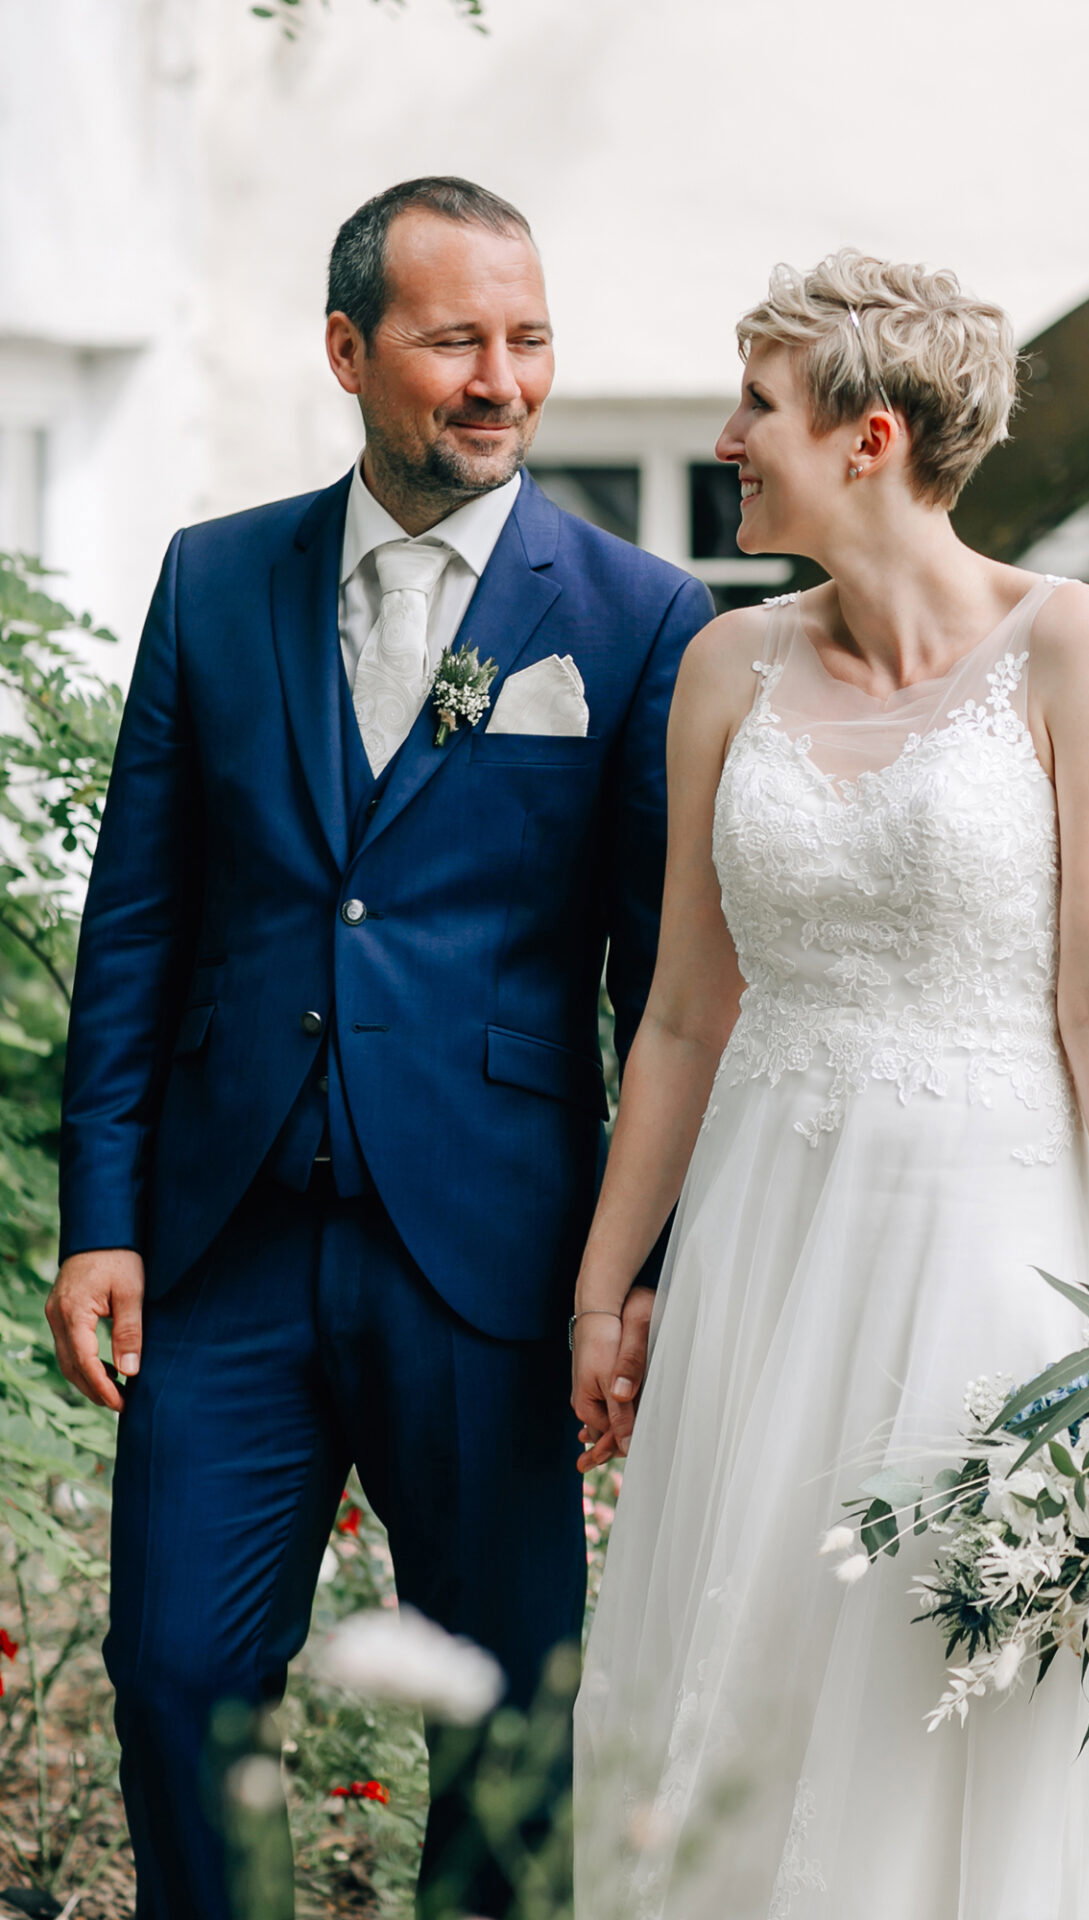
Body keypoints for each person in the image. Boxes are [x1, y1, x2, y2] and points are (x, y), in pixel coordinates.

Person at [570, 252, 1089, 1917]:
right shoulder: (728, 669)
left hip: (988, 1237)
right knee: (761, 1645)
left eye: (756, 408)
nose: (728, 438)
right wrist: (606, 1286)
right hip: (766, 1235)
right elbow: (688, 1018)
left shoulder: (1079, 652)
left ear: (868, 438)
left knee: (949, 1666)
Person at [47, 175, 711, 1919]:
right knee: (178, 1673)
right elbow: (140, 923)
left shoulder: (638, 620)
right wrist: (99, 1220)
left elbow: (669, 997)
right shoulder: (213, 579)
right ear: (349, 350)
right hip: (225, 1243)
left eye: (530, 338)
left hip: (494, 1254)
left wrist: (643, 1272)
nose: (503, 379)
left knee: (505, 1716)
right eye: (454, 340)